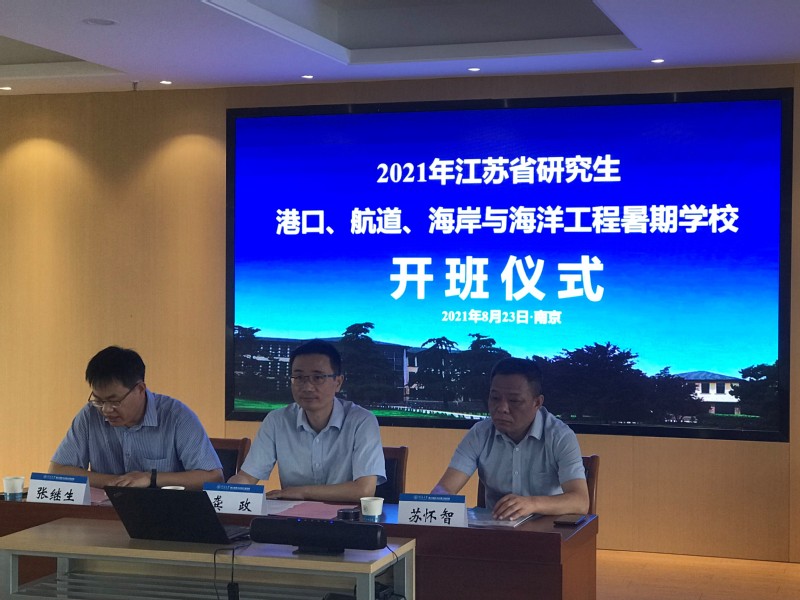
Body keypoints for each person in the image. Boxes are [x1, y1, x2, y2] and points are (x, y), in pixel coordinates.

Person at [432, 356, 589, 519]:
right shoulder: (480, 433)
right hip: (496, 528)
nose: (502, 408)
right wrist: (438, 500)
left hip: (547, 528)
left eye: (514, 400)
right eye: (495, 398)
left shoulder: (560, 436)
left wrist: (532, 504)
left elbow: (580, 501)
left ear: (537, 402)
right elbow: (445, 489)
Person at [229, 339, 386, 502]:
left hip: (346, 516)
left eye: (318, 377)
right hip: (291, 516)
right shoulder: (276, 421)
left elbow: (364, 490)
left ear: (338, 382)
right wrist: (230, 490)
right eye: (299, 377)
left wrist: (301, 492)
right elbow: (247, 477)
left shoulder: (362, 421)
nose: (307, 387)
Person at [49, 346, 223, 490]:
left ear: (140, 389)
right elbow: (58, 470)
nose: (106, 410)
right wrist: (116, 482)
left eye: (114, 401)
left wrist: (150, 478)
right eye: (98, 400)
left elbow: (213, 477)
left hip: (166, 514)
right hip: (106, 513)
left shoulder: (176, 416)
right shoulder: (90, 415)